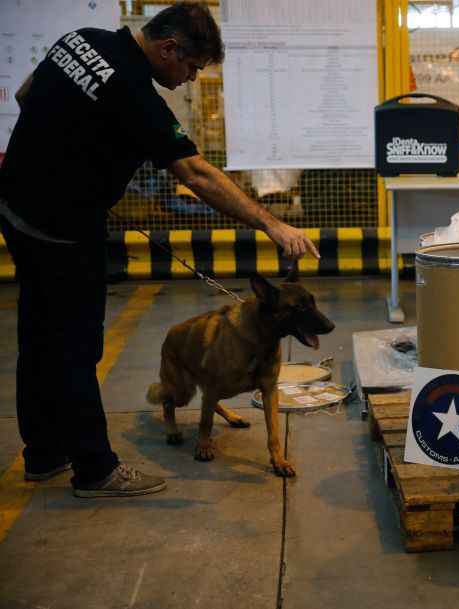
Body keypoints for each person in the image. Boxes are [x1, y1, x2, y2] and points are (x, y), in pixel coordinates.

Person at [0, 3, 318, 498]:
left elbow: (25, 96)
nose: (191, 80)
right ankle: (95, 469)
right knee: (77, 348)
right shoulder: (136, 94)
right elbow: (196, 175)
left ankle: (42, 454)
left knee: (38, 336)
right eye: (191, 68)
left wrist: (69, 157)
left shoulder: (81, 39)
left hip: (15, 207)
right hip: (63, 232)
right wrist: (270, 223)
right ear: (168, 48)